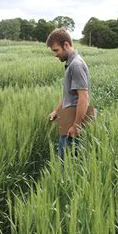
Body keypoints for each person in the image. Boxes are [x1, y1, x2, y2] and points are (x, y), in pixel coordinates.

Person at [46, 28, 90, 161]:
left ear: (66, 45)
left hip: (72, 121)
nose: (55, 54)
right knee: (64, 160)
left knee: (67, 164)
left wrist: (76, 126)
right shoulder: (71, 64)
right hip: (68, 118)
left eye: (56, 50)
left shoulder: (76, 65)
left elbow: (84, 97)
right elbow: (69, 95)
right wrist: (56, 111)